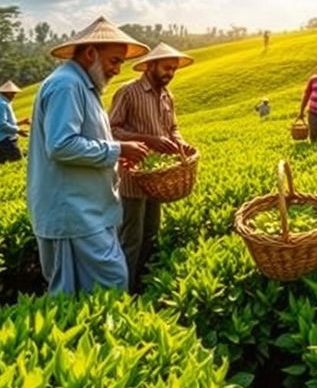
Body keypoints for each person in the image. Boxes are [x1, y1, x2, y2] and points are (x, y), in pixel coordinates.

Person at [27, 16, 150, 295]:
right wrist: (118, 149)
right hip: (72, 213)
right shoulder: (66, 86)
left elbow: (84, 142)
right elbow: (61, 145)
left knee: (96, 290)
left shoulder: (84, 86)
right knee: (101, 286)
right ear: (91, 53)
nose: (118, 69)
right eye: (115, 60)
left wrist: (115, 156)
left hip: (89, 210)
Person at [109, 42, 194, 292]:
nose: (170, 73)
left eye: (174, 70)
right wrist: (150, 140)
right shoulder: (128, 92)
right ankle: (124, 290)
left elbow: (173, 128)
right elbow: (112, 130)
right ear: (151, 65)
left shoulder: (168, 96)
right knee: (131, 240)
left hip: (158, 178)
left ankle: (143, 286)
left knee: (151, 234)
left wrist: (181, 143)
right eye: (167, 68)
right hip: (132, 178)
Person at [0, 80, 29, 163]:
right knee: (18, 162)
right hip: (6, 140)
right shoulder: (1, 104)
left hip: (2, 140)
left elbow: (8, 122)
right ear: (7, 92)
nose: (14, 95)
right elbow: (2, 124)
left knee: (2, 165)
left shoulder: (2, 102)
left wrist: (22, 122)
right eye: (13, 93)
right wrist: (18, 130)